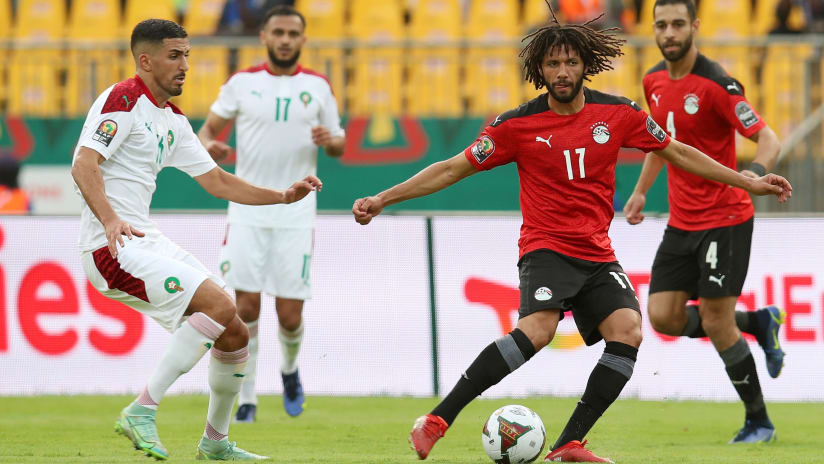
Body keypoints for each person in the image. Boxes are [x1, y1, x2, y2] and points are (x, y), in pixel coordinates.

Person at [352, 9, 792, 464]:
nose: (562, 72)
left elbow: (677, 151)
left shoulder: (619, 114)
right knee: (538, 330)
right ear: (538, 70)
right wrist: (384, 198)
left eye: (570, 63)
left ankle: (568, 444)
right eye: (552, 64)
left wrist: (748, 181)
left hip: (597, 253)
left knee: (629, 330)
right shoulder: (516, 126)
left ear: (586, 64)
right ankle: (437, 421)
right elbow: (451, 167)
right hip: (546, 248)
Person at [71, 18, 321, 461]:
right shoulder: (123, 98)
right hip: (110, 246)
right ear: (145, 60)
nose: (185, 64)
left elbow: (219, 182)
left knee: (235, 332)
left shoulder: (172, 119)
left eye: (187, 54)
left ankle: (215, 442)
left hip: (142, 238)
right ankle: (141, 410)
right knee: (223, 306)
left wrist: (282, 196)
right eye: (174, 55)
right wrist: (109, 220)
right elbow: (84, 164)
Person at [623, 0, 786, 444]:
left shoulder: (718, 85)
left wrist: (754, 173)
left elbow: (767, 136)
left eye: (678, 24)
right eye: (661, 25)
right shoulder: (653, 80)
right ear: (653, 30)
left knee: (716, 320)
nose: (669, 32)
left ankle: (759, 421)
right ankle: (757, 323)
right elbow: (661, 143)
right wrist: (640, 190)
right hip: (682, 221)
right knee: (662, 317)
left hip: (726, 218)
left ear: (694, 26)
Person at [198, 5, 345, 423]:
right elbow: (206, 131)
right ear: (263, 36)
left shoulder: (318, 87)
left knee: (290, 313)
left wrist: (329, 139)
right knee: (244, 308)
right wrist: (209, 145)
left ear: (302, 40)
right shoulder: (243, 83)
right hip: (247, 207)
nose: (284, 40)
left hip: (297, 211)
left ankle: (290, 370)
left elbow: (338, 144)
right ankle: (247, 396)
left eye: (292, 33)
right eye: (277, 32)